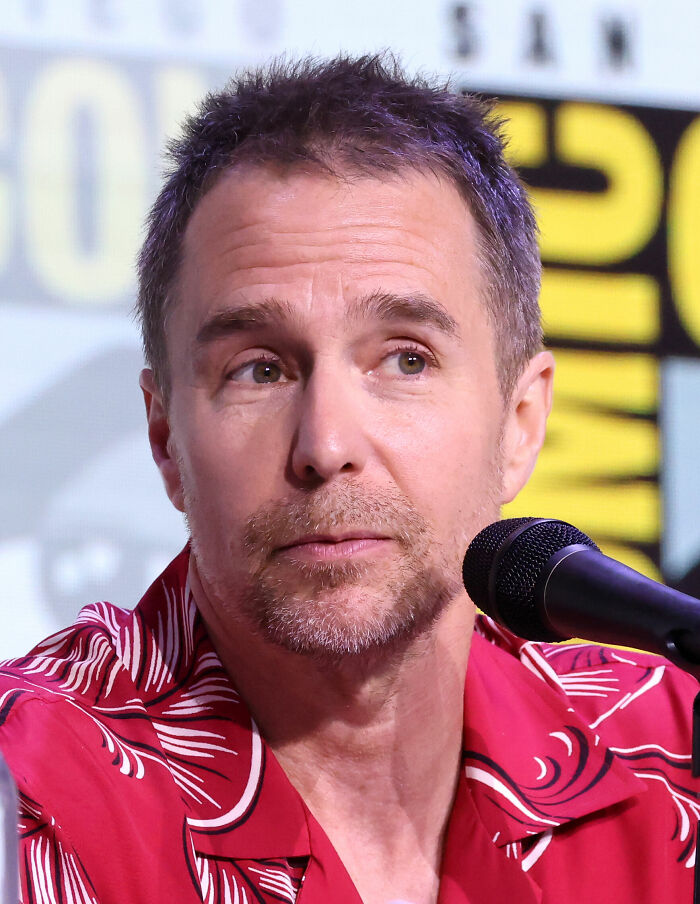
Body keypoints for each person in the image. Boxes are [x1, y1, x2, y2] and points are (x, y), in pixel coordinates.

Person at [0, 55, 698, 904]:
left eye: (406, 359)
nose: (325, 444)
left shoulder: (672, 751)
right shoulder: (28, 794)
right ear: (165, 439)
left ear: (521, 426)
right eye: (259, 370)